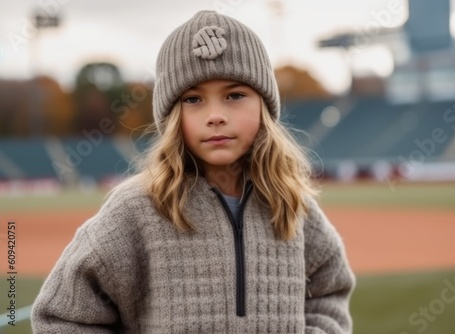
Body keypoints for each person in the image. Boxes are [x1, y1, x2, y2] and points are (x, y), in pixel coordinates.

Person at [31, 10, 355, 333]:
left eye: (235, 95)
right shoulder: (134, 210)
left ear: (264, 106)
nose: (215, 115)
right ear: (172, 115)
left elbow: (329, 294)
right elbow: (60, 316)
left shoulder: (294, 207)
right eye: (193, 99)